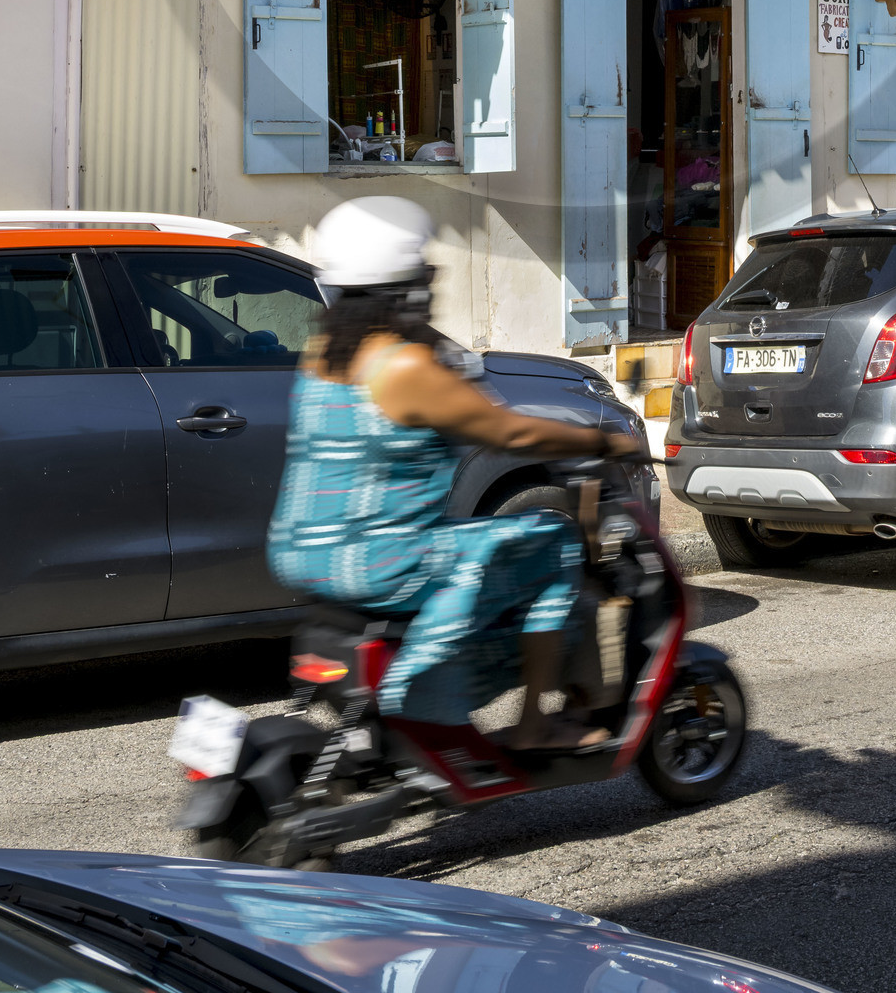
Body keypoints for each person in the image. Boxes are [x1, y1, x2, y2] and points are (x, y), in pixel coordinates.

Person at [268, 195, 641, 752]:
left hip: (302, 554)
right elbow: (510, 432)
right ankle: (536, 722)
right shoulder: (401, 366)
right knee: (556, 542)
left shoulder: (323, 353)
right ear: (407, 287)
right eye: (425, 275)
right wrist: (602, 439)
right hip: (379, 562)